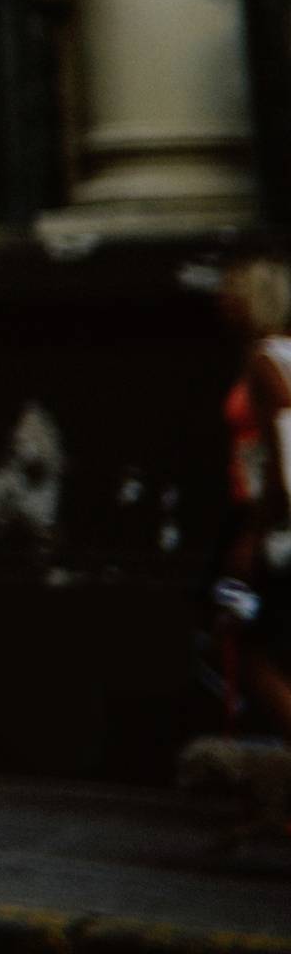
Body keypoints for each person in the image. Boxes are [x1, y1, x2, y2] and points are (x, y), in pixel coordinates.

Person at [213, 254, 291, 739]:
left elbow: (285, 449)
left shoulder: (265, 361)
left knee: (251, 653)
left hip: (270, 528)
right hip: (270, 523)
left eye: (232, 296)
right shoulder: (282, 353)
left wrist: (256, 535)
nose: (223, 305)